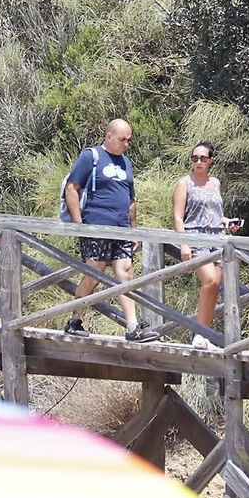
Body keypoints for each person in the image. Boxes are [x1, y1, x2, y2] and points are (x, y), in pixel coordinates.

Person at [63, 119, 160, 343]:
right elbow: (72, 187)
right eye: (122, 139)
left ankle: (132, 327)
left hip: (122, 229)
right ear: (109, 136)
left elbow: (131, 198)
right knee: (94, 272)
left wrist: (133, 230)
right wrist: (79, 224)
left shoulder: (126, 162)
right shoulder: (91, 157)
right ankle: (74, 320)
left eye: (128, 140)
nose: (126, 144)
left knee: (125, 272)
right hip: (96, 226)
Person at [171, 142, 233, 350]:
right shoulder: (184, 183)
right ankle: (199, 333)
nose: (198, 162)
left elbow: (214, 212)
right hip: (196, 237)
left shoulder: (215, 183)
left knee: (215, 285)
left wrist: (226, 221)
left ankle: (203, 335)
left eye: (203, 158)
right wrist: (184, 244)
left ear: (210, 160)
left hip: (218, 238)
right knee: (208, 280)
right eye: (195, 158)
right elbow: (178, 217)